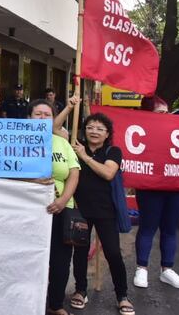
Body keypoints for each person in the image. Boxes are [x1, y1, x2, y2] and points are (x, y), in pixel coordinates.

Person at [70, 113, 134, 315]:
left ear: (107, 134)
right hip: (80, 209)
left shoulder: (112, 151)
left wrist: (85, 157)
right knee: (80, 252)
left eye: (99, 128)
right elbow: (54, 128)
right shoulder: (75, 145)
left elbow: (108, 173)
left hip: (106, 212)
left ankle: (122, 296)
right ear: (84, 130)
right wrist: (71, 106)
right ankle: (81, 290)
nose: (94, 131)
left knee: (113, 253)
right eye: (90, 127)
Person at [27, 99, 81, 315]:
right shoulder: (17, 141)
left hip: (62, 209)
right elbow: (8, 173)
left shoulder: (62, 143)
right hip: (29, 210)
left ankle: (55, 304)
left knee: (60, 261)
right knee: (30, 259)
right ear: (29, 118)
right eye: (37, 114)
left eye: (46, 115)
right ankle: (29, 303)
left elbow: (74, 173)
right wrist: (31, 183)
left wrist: (62, 200)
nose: (42, 118)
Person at [133, 96, 179, 289]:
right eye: (159, 113)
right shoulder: (141, 130)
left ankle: (167, 269)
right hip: (150, 185)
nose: (165, 116)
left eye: (166, 112)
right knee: (148, 226)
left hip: (176, 185)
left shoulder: (178, 128)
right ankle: (142, 268)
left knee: (170, 228)